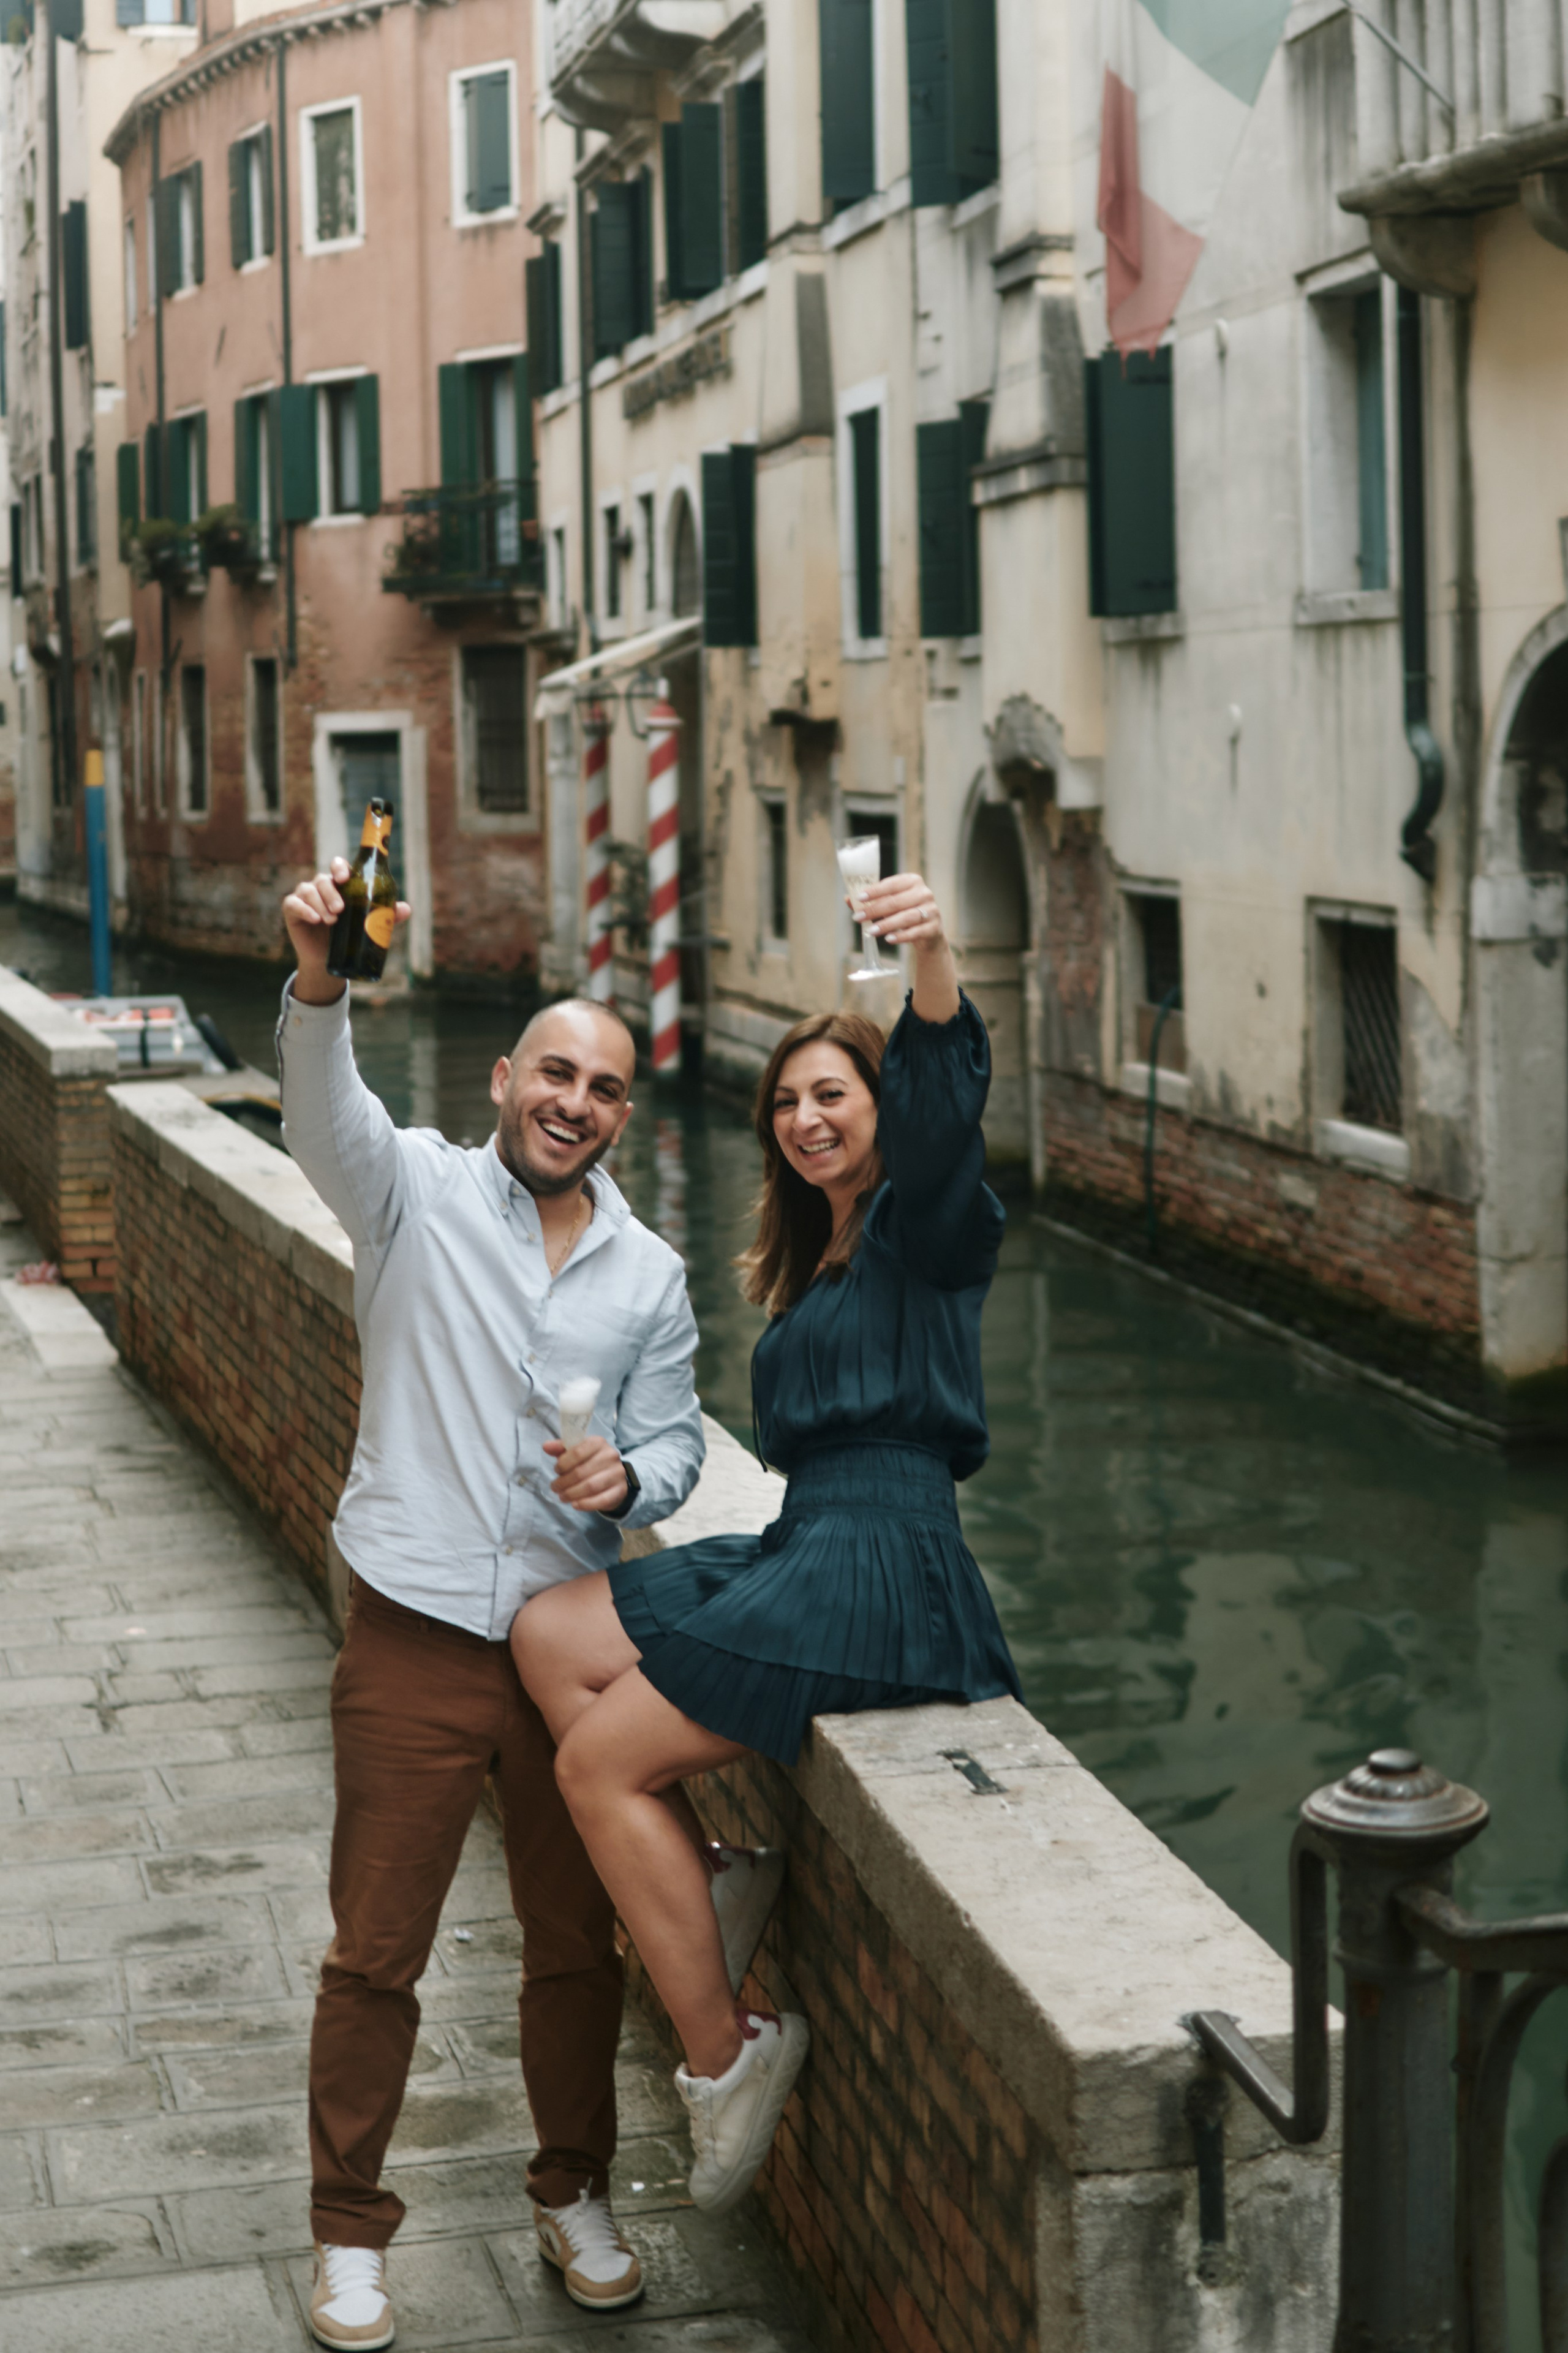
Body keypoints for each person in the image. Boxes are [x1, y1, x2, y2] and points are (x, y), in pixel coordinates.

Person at [278, 859, 772, 2351]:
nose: (575, 1101)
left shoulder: (652, 1272)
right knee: (378, 1946)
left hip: (569, 1654)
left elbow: (684, 1441)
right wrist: (319, 976)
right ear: (505, 1080)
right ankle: (348, 2231)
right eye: (554, 1071)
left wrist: (634, 1477)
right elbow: (316, 1111)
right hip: (416, 1630)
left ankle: (572, 2192)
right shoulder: (409, 1189)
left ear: (625, 1113)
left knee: (574, 1947)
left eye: (605, 1086)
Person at [512, 870, 1023, 2215]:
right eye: (786, 1102)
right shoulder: (823, 1255)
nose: (803, 1119)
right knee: (547, 1629)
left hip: (884, 1572)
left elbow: (944, 1116)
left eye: (829, 1097)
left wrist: (927, 961)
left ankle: (730, 2050)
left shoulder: (924, 1228)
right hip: (809, 1543)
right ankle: (715, 1874)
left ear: (875, 1111)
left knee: (599, 1761)